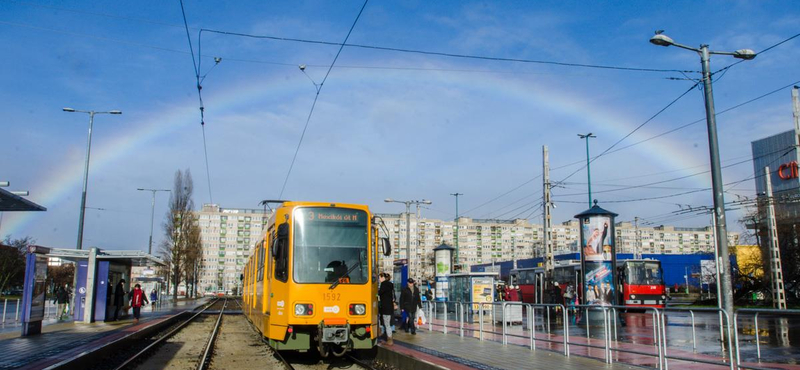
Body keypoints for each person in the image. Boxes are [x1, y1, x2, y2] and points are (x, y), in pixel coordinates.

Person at [378, 273, 395, 345]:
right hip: (390, 307)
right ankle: (388, 336)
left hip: (385, 308)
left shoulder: (383, 285)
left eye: (379, 278)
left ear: (382, 278)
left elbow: (380, 293)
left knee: (387, 324)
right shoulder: (390, 285)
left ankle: (389, 339)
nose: (379, 279)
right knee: (387, 323)